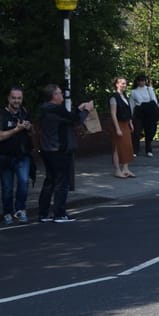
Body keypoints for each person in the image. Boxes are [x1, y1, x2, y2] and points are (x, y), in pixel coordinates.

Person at [37, 84, 93, 222]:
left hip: (46, 149)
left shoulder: (44, 109)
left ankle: (43, 213)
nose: (62, 95)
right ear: (54, 96)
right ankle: (59, 213)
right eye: (60, 93)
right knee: (62, 182)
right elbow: (75, 120)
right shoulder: (56, 109)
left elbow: (68, 117)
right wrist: (86, 110)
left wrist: (78, 109)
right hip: (59, 150)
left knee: (49, 180)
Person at [0, 87, 34, 223]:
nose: (16, 101)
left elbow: (32, 133)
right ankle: (7, 213)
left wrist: (28, 127)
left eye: (19, 98)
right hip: (5, 156)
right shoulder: (0, 115)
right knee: (7, 187)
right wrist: (16, 129)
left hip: (22, 156)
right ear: (9, 99)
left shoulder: (24, 112)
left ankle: (20, 210)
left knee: (24, 182)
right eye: (14, 98)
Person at [110, 77, 135, 178]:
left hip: (126, 123)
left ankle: (126, 169)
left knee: (127, 146)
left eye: (125, 84)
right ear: (117, 84)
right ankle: (117, 170)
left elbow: (128, 111)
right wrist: (117, 128)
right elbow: (113, 114)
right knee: (117, 147)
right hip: (118, 124)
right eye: (122, 83)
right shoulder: (113, 97)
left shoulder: (125, 96)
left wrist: (130, 123)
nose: (124, 85)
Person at [129, 74, 158, 157]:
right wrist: (131, 116)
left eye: (144, 80)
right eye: (140, 80)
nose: (142, 82)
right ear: (137, 82)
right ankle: (135, 150)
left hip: (149, 112)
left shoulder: (149, 89)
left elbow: (154, 100)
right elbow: (132, 104)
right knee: (137, 131)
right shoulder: (134, 91)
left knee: (149, 131)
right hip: (139, 112)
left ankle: (148, 150)